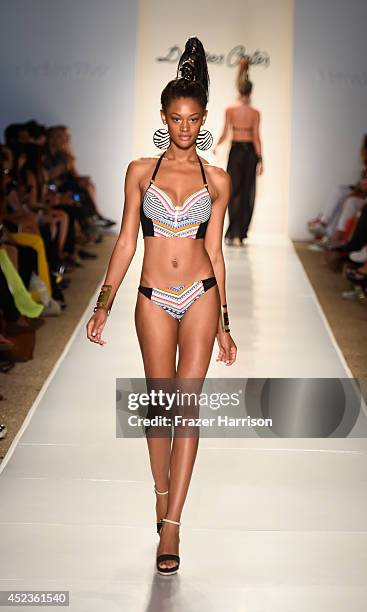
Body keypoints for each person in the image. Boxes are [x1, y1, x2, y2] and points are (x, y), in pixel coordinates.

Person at [86, 37, 237, 576]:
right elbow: (126, 241)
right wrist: (103, 304)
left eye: (194, 118)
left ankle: (171, 525)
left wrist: (225, 322)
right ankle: (161, 491)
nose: (185, 127)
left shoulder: (217, 179)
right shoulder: (140, 171)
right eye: (175, 118)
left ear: (204, 119)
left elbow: (215, 251)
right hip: (151, 297)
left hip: (199, 294)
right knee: (158, 404)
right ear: (163, 117)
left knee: (187, 406)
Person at [213, 57, 263, 246]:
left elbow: (225, 132)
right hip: (250, 152)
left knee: (233, 192)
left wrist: (216, 145)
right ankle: (240, 234)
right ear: (250, 91)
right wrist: (261, 159)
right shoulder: (255, 113)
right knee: (247, 192)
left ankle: (233, 232)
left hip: (236, 151)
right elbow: (257, 137)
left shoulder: (230, 110)